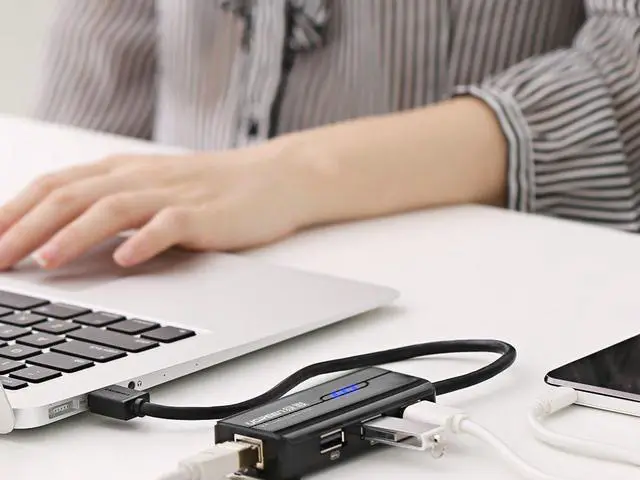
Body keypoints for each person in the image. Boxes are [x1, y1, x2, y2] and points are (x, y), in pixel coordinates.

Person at [0, 0, 636, 271]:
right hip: (161, 257)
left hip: (465, 280)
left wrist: (291, 173)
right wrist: (58, 217)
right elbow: (111, 37)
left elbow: (626, 66)